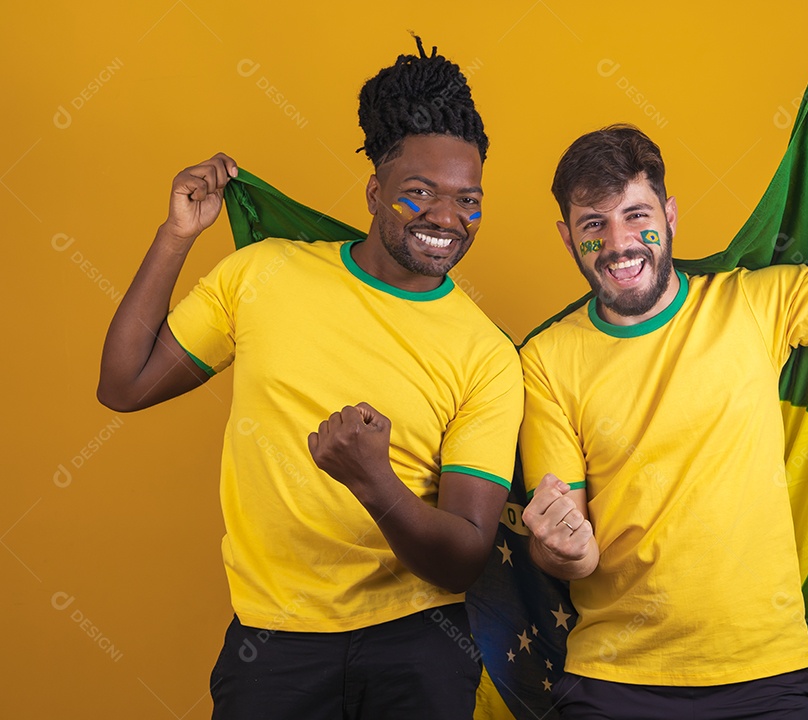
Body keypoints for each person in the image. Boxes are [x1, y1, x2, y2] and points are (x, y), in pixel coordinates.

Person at [520, 53, 808, 718]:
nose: (619, 243)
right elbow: (571, 555)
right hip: (613, 682)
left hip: (768, 677)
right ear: (566, 237)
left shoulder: (755, 306)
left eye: (636, 216)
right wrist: (564, 547)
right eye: (593, 225)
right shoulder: (547, 360)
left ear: (669, 215)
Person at [97, 38, 522, 720]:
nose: (447, 218)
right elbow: (125, 384)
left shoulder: (487, 355)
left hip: (418, 644)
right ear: (374, 191)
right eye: (419, 193)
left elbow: (463, 558)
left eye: (467, 201)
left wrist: (373, 481)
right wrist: (178, 234)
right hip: (273, 644)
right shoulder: (264, 274)